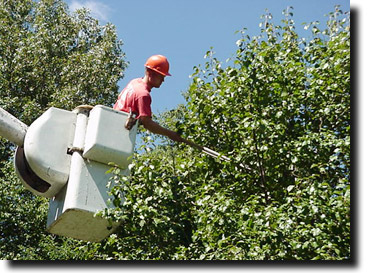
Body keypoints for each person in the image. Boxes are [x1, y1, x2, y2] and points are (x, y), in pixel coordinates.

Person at [113, 55, 185, 143]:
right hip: (119, 133)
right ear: (151, 73)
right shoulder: (143, 94)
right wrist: (170, 134)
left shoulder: (134, 82)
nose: (163, 80)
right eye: (161, 76)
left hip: (113, 125)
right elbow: (147, 123)